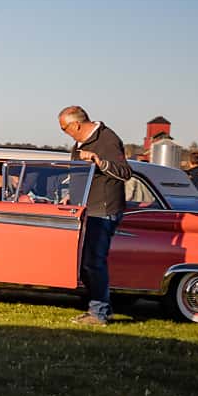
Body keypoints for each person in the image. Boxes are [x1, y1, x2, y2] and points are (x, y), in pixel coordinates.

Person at [58, 105, 133, 325]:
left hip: (104, 210)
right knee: (86, 263)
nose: (64, 132)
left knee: (93, 262)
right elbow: (78, 174)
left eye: (64, 128)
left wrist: (100, 161)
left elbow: (125, 172)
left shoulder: (107, 139)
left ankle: (99, 312)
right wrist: (70, 196)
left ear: (76, 124)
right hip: (85, 209)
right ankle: (99, 308)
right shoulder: (79, 145)